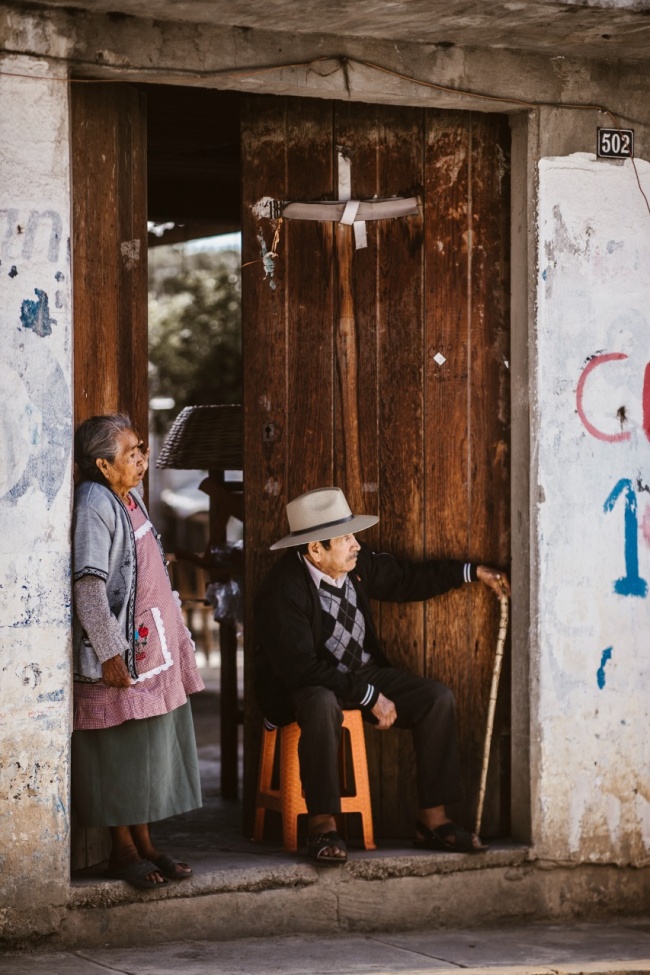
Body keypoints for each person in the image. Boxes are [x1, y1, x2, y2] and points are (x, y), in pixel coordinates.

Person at [254, 486, 510, 865]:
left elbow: (408, 579)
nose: (356, 545)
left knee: (435, 699)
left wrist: (471, 573)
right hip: (305, 688)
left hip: (360, 674)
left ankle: (432, 821)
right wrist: (368, 695)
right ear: (315, 550)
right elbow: (301, 669)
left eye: (353, 535)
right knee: (321, 702)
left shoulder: (357, 565)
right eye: (345, 539)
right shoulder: (284, 589)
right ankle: (322, 827)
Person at [71, 413, 205, 889]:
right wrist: (110, 653)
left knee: (143, 749)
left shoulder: (129, 500)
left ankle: (145, 845)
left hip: (150, 654)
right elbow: (88, 583)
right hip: (119, 658)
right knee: (117, 753)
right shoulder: (95, 502)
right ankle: (121, 851)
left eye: (142, 451)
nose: (143, 460)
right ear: (103, 465)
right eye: (132, 454)